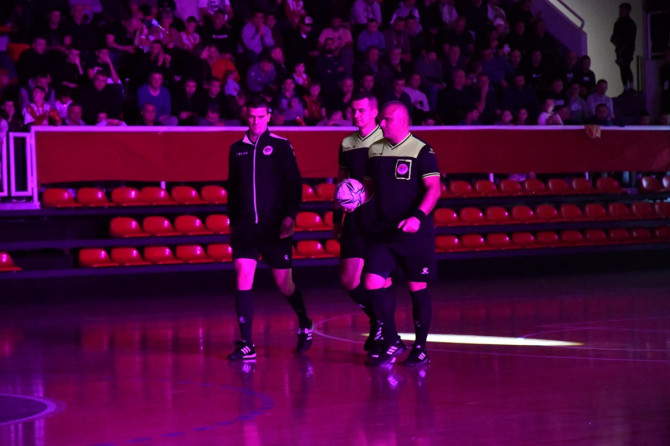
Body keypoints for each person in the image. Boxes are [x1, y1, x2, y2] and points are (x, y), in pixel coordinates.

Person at [226, 97, 312, 360]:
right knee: (243, 275)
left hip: (274, 228)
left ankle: (305, 321)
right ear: (247, 116)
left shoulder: (281, 146)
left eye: (260, 116)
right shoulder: (236, 149)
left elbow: (294, 184)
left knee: (284, 284)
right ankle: (247, 343)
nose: (256, 121)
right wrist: (233, 222)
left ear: (268, 117)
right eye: (252, 116)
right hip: (245, 228)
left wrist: (290, 216)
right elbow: (233, 189)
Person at [363, 101, 441, 367]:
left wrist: (417, 217)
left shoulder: (422, 150)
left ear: (403, 121)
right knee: (372, 282)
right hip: (383, 232)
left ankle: (421, 348)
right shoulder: (375, 150)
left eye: (387, 119)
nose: (381, 123)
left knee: (416, 287)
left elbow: (434, 189)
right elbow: (369, 189)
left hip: (414, 233)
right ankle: (392, 339)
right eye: (381, 119)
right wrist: (354, 199)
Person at [334, 92, 385, 352]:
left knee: (378, 280)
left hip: (379, 218)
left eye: (361, 110)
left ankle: (385, 332)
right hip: (354, 218)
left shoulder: (386, 141)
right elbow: (342, 181)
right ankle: (380, 320)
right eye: (353, 110)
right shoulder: (347, 143)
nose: (356, 115)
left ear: (374, 112)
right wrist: (337, 218)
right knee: (348, 279)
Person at [610, 2, 636, 92]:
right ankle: (626, 88)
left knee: (626, 66)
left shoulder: (631, 24)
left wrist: (621, 48)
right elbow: (613, 37)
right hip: (620, 49)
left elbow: (631, 39)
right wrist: (618, 46)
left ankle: (631, 87)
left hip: (627, 50)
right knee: (622, 68)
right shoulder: (617, 23)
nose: (620, 12)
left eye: (622, 10)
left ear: (627, 11)